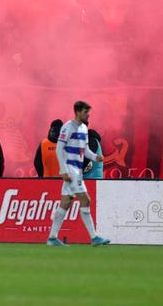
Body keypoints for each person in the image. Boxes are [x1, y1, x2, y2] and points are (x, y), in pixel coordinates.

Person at [46, 101, 110, 246]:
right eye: (86, 112)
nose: (88, 115)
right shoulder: (67, 128)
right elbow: (58, 149)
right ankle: (94, 237)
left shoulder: (83, 129)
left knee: (66, 203)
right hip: (71, 170)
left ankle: (52, 238)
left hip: (77, 171)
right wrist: (63, 170)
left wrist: (95, 157)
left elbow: (85, 150)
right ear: (78, 112)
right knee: (85, 200)